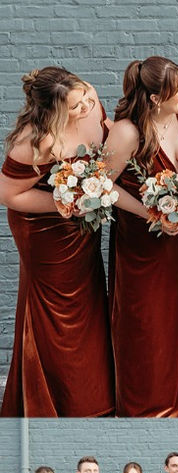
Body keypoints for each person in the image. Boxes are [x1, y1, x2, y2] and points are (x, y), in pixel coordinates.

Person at [0, 67, 114, 417]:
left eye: (85, 100)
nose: (85, 108)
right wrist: (67, 204)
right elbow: (7, 194)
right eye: (75, 107)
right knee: (59, 311)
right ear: (53, 111)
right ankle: (58, 401)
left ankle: (95, 398)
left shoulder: (89, 97)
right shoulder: (37, 140)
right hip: (44, 229)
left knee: (89, 301)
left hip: (80, 223)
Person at [105, 56, 178, 417]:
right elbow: (103, 185)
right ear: (153, 98)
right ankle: (146, 405)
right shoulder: (128, 132)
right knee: (145, 323)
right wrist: (152, 213)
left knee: (174, 319)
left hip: (175, 242)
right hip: (139, 246)